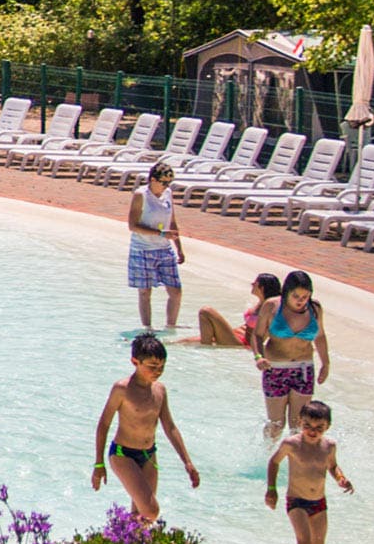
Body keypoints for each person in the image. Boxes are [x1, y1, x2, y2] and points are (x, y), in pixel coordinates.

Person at [90, 334, 201, 520]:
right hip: (122, 454)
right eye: (152, 366)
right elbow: (104, 425)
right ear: (135, 361)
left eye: (161, 367)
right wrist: (99, 464)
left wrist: (187, 462)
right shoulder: (122, 389)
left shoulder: (160, 390)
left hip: (149, 454)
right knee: (151, 511)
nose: (157, 371)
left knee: (142, 517)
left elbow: (170, 427)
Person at [265, 399, 354, 544]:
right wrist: (272, 489)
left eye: (319, 428)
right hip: (296, 501)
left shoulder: (329, 446)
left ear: (327, 427)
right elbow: (274, 462)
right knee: (304, 542)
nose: (312, 431)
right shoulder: (292, 444)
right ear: (300, 422)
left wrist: (341, 478)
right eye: (307, 426)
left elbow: (332, 466)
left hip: (318, 502)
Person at [253, 270, 331, 445]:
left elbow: (320, 336)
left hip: (303, 370)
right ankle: (267, 455)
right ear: (286, 292)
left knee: (298, 425)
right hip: (275, 369)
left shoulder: (315, 309)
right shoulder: (271, 306)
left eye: (305, 296)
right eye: (296, 296)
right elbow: (257, 335)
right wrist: (258, 357)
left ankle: (294, 461)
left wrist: (325, 363)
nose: (300, 300)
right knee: (276, 424)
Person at [125, 161, 187, 332]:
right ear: (153, 179)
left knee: (175, 290)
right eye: (164, 182)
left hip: (164, 249)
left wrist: (179, 247)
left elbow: (172, 221)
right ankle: (147, 327)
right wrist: (160, 234)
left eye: (169, 182)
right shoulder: (141, 195)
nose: (167, 185)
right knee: (145, 292)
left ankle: (171, 326)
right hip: (143, 249)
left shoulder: (168, 194)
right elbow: (133, 225)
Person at [196, 272, 281, 351]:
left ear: (262, 288)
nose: (252, 284)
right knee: (185, 342)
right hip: (236, 335)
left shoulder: (270, 309)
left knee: (206, 311)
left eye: (255, 283)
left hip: (243, 343)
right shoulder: (260, 303)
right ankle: (206, 347)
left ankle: (206, 351)